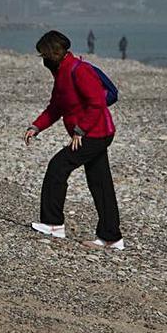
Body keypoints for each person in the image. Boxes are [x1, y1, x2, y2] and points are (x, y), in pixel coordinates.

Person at [24, 30, 124, 250]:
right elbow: (55, 108)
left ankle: (53, 224)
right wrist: (36, 126)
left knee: (58, 166)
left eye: (44, 55)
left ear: (53, 53)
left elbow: (97, 103)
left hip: (95, 134)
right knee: (100, 183)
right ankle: (111, 237)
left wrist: (80, 131)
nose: (43, 60)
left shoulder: (79, 71)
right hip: (91, 133)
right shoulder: (61, 73)